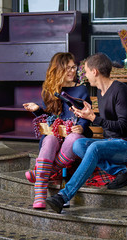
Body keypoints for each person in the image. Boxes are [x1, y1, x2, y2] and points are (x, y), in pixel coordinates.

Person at [46, 52, 127, 214]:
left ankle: (63, 196)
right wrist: (86, 115)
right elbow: (104, 125)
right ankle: (121, 172)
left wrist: (94, 118)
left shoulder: (120, 90)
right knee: (78, 145)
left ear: (95, 71)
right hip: (110, 143)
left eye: (86, 71)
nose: (84, 74)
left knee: (94, 148)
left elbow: (124, 127)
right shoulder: (100, 92)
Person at [23, 52, 92, 209]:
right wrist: (38, 110)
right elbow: (49, 117)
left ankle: (38, 174)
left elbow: (86, 115)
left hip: (73, 135)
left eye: (73, 67)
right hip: (56, 136)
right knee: (49, 139)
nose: (72, 71)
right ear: (58, 69)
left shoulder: (81, 90)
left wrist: (81, 125)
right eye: (67, 68)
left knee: (74, 139)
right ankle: (39, 194)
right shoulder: (49, 89)